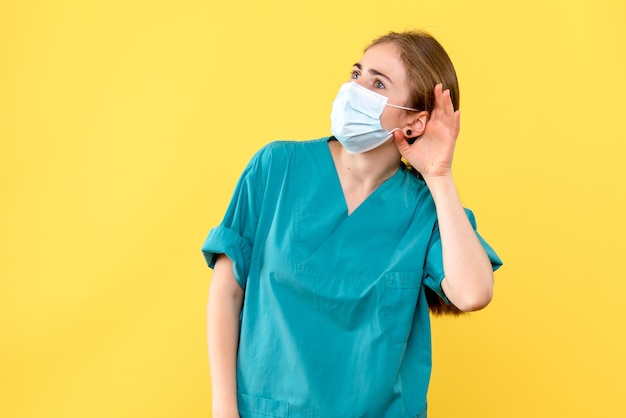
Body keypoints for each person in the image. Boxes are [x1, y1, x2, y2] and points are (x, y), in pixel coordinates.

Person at [202, 30, 503, 418]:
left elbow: (473, 292)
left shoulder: (427, 209)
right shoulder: (276, 167)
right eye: (357, 73)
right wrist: (224, 410)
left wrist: (439, 176)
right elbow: (227, 291)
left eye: (378, 83)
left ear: (414, 122)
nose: (355, 88)